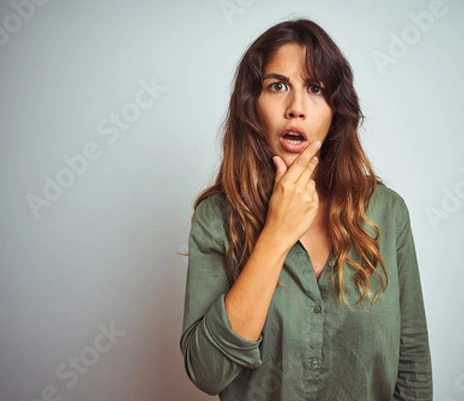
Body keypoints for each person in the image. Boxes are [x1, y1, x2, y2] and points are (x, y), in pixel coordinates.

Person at [180, 18, 432, 401]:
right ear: (252, 106)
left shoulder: (387, 212)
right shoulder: (217, 218)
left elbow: (412, 368)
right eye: (277, 85)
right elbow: (207, 372)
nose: (296, 107)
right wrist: (277, 234)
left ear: (335, 112)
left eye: (315, 88)